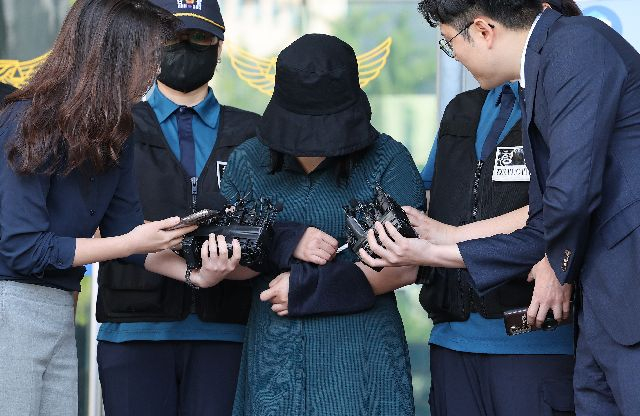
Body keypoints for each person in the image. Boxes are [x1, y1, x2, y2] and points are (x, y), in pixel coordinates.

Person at [362, 1, 640, 414]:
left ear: (483, 30)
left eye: (449, 42)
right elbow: (549, 214)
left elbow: (568, 197)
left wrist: (554, 262)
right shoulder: (537, 74)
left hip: (625, 291)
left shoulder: (574, 43)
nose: (454, 56)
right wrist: (431, 249)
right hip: (602, 307)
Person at [0, 1, 243, 415]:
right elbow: (23, 248)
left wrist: (194, 274)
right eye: (147, 56)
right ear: (112, 56)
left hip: (60, 310)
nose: (153, 70)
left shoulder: (117, 130)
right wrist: (133, 240)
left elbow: (127, 234)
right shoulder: (27, 120)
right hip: (12, 308)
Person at [219, 34, 424, 415]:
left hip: (363, 358)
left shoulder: (388, 160)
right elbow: (228, 258)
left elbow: (408, 265)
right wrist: (282, 240)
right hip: (275, 361)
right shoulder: (248, 161)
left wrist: (312, 289)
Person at [94, 1, 262, 414]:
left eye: (199, 37)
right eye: (172, 36)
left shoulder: (254, 133)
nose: (185, 46)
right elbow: (90, 222)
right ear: (149, 44)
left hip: (227, 333)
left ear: (219, 48)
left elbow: (273, 223)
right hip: (133, 331)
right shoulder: (113, 126)